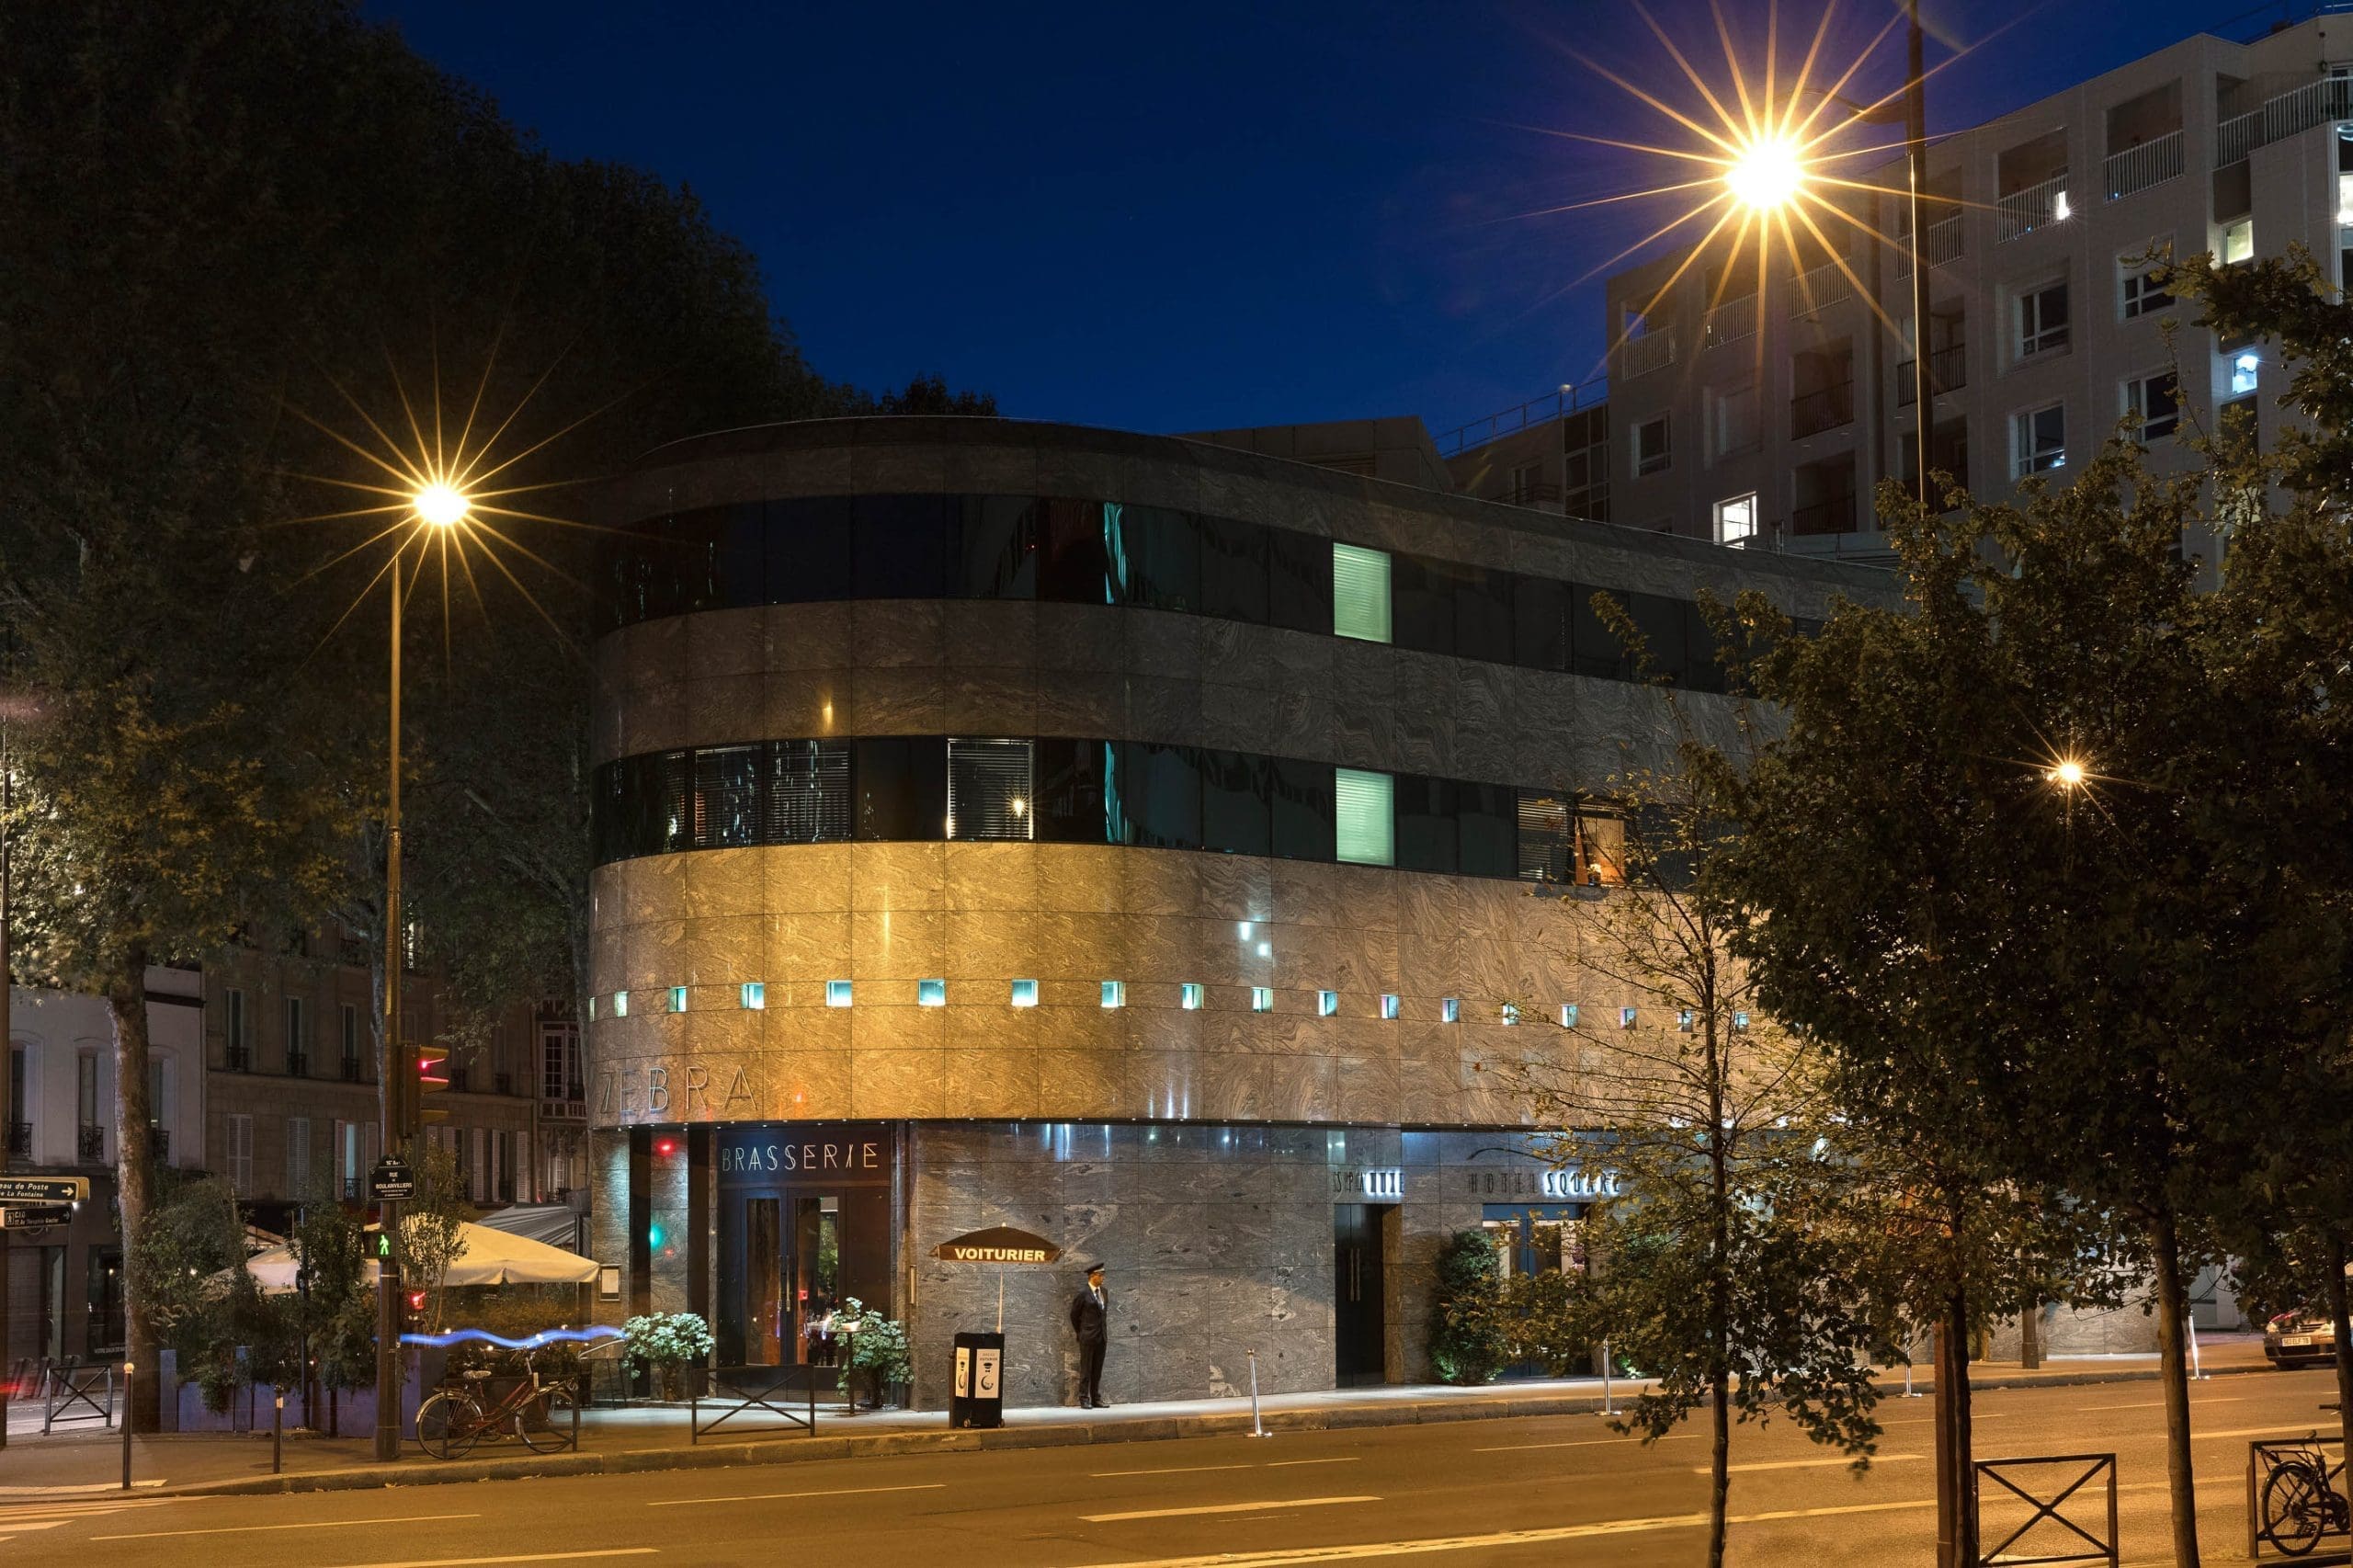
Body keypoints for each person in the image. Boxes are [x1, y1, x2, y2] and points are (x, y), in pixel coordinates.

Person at [1069, 1263, 1110, 1408]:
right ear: (1092, 1276)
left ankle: (1096, 1398)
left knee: (1097, 1370)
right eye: (1100, 1275)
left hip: (1101, 1337)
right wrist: (1081, 1332)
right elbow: (1074, 1315)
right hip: (1087, 1337)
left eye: (1103, 1275)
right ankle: (1084, 1398)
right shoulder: (1083, 1293)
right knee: (1086, 1369)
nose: (1103, 1278)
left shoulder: (1104, 1292)